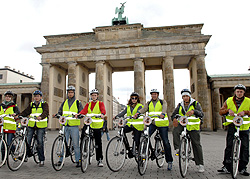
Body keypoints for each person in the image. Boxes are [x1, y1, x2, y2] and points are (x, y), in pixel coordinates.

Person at [134, 89, 173, 171]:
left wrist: (163, 113)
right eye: (152, 94)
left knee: (165, 141)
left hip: (162, 123)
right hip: (153, 123)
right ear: (151, 95)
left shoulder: (162, 102)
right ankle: (143, 156)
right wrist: (138, 113)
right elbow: (144, 109)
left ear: (157, 95)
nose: (154, 95)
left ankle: (169, 161)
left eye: (155, 94)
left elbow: (164, 108)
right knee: (145, 136)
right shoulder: (149, 103)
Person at [218, 84, 250, 176]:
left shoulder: (248, 101)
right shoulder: (228, 100)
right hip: (232, 126)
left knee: (245, 148)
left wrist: (245, 112)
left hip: (244, 127)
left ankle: (242, 167)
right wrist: (228, 110)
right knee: (229, 147)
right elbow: (221, 111)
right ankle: (226, 166)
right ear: (235, 92)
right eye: (237, 91)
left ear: (244, 92)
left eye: (241, 91)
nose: (239, 93)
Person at [171, 89, 205, 173]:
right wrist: (174, 118)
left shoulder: (195, 104)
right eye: (184, 96)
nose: (185, 98)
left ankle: (200, 164)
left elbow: (201, 114)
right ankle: (178, 149)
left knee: (196, 144)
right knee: (175, 131)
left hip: (193, 126)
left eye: (186, 96)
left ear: (190, 96)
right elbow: (173, 114)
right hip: (183, 124)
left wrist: (194, 111)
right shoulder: (180, 105)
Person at [18, 90, 49, 167]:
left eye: (38, 96)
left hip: (41, 125)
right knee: (28, 140)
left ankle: (41, 159)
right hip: (32, 125)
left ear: (41, 97)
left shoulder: (44, 104)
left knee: (39, 142)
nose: (36, 98)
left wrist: (41, 116)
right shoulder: (31, 104)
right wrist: (19, 115)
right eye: (35, 96)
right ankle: (25, 155)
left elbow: (46, 112)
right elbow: (26, 112)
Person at [54, 86, 83, 167]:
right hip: (65, 125)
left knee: (76, 144)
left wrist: (79, 115)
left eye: (71, 92)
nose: (70, 94)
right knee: (63, 143)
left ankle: (78, 160)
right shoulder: (64, 102)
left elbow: (81, 112)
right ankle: (60, 160)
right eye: (69, 92)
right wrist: (57, 115)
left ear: (74, 93)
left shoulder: (78, 102)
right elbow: (60, 111)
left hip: (74, 126)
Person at [78, 89, 106, 167]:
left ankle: (99, 159)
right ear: (91, 96)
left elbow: (103, 110)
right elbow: (84, 110)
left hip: (97, 125)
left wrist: (102, 114)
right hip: (89, 123)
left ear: (97, 96)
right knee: (83, 135)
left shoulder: (100, 103)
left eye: (95, 95)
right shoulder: (88, 104)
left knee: (98, 142)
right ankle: (83, 152)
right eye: (92, 95)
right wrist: (79, 114)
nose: (93, 96)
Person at [113, 92, 144, 158]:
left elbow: (139, 112)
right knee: (122, 132)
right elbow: (123, 113)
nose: (134, 99)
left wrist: (136, 115)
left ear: (137, 99)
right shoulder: (128, 107)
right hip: (130, 124)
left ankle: (140, 154)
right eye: (132, 98)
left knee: (137, 140)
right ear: (131, 99)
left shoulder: (140, 106)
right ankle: (128, 149)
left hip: (138, 126)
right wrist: (116, 116)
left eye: (135, 98)